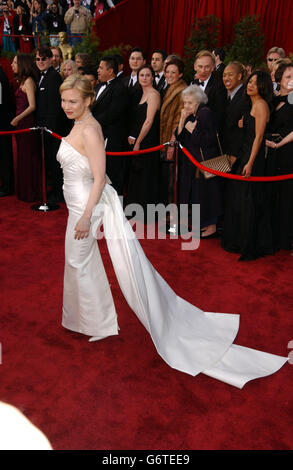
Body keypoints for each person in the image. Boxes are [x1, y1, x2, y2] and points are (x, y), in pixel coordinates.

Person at [56, 73, 287, 388]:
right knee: (79, 262)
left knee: (78, 261)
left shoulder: (91, 130)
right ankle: (92, 319)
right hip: (77, 204)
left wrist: (85, 217)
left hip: (87, 206)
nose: (66, 106)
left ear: (87, 101)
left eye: (72, 101)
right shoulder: (78, 125)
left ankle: (96, 321)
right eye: (63, 100)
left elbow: (99, 178)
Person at [221, 71, 274, 261]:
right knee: (239, 198)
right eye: (249, 81)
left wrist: (250, 162)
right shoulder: (253, 105)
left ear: (263, 86)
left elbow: (259, 137)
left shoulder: (260, 105)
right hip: (246, 153)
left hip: (253, 157)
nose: (250, 85)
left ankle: (248, 242)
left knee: (247, 200)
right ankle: (240, 239)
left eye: (255, 83)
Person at [176, 85, 222, 238]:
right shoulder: (191, 115)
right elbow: (179, 138)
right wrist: (183, 120)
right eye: (185, 102)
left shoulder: (205, 113)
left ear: (199, 102)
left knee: (208, 194)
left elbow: (207, 140)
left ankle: (211, 226)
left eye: (190, 103)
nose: (186, 106)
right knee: (198, 194)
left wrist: (191, 129)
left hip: (207, 162)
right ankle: (201, 224)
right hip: (194, 163)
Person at [35, 45, 70, 202]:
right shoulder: (42, 75)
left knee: (56, 163)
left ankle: (59, 193)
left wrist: (50, 129)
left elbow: (55, 106)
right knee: (50, 161)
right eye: (38, 59)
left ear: (50, 60)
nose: (40, 62)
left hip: (53, 130)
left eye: (43, 59)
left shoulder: (53, 77)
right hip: (45, 128)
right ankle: (55, 190)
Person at [126, 64, 161, 215]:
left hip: (148, 140)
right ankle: (136, 209)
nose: (144, 78)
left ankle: (145, 212)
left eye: (147, 75)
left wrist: (138, 142)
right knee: (137, 175)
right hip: (139, 138)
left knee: (146, 175)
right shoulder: (139, 93)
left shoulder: (153, 94)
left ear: (153, 77)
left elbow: (149, 121)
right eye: (142, 75)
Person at [92, 56, 129, 195]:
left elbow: (113, 113)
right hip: (98, 137)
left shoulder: (120, 88)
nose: (98, 70)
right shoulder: (97, 86)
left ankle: (115, 208)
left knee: (113, 174)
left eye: (101, 68)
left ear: (111, 71)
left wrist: (91, 122)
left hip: (112, 139)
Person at [266, 62, 293, 251]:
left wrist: (278, 144)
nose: (292, 80)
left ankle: (286, 238)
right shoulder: (273, 99)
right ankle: (273, 236)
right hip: (271, 154)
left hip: (288, 153)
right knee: (273, 194)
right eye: (289, 77)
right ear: (280, 79)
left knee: (287, 196)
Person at [10, 53, 41, 202]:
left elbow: (32, 106)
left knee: (29, 158)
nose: (12, 65)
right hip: (21, 124)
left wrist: (17, 118)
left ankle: (32, 192)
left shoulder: (28, 81)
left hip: (27, 124)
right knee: (23, 158)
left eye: (15, 62)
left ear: (22, 64)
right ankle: (25, 191)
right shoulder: (21, 81)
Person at [160, 57, 187, 204]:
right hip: (164, 139)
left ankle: (172, 211)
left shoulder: (182, 91)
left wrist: (172, 142)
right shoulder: (167, 87)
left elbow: (179, 120)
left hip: (173, 141)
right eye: (168, 72)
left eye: (173, 72)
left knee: (172, 178)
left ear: (180, 74)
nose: (169, 75)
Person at [221, 61, 249, 164]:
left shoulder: (245, 97)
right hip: (227, 152)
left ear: (239, 76)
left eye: (230, 75)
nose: (226, 78)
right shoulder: (229, 96)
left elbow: (241, 131)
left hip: (238, 156)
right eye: (224, 75)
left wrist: (234, 155)